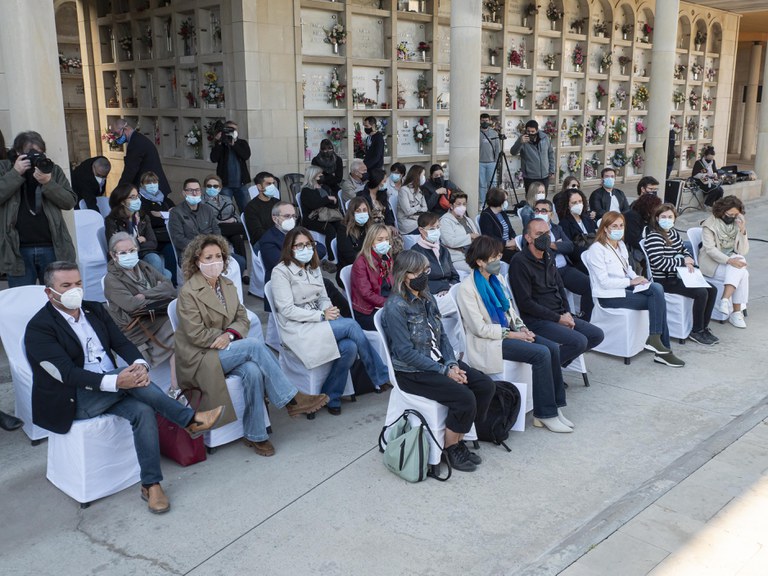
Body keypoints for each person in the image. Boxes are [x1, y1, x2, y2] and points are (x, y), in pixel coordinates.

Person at [25, 261, 224, 513]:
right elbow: (66, 373)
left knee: (143, 410)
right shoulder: (39, 328)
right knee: (127, 380)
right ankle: (188, 420)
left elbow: (122, 342)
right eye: (65, 285)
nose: (74, 290)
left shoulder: (95, 310)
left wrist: (139, 365)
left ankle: (151, 485)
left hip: (112, 386)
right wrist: (119, 380)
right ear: (49, 291)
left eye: (78, 283)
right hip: (74, 399)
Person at [175, 235, 328, 457]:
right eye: (209, 257)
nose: (215, 261)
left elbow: (242, 318)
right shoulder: (189, 292)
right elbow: (195, 333)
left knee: (253, 371)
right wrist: (226, 337)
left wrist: (229, 334)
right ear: (197, 260)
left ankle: (256, 435)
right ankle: (292, 398)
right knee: (254, 346)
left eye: (219, 256)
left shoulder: (226, 285)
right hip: (201, 356)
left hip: (226, 348)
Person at [382, 250, 495, 471]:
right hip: (413, 372)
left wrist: (452, 364)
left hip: (438, 361)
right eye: (420, 272)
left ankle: (460, 436)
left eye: (427, 270)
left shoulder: (426, 296)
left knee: (485, 385)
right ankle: (451, 448)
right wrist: (445, 371)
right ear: (405, 275)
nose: (425, 275)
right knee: (464, 398)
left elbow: (442, 335)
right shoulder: (396, 307)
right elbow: (405, 353)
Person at [456, 236, 573, 433]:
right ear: (480, 261)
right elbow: (480, 329)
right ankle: (544, 414)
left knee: (552, 347)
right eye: (494, 257)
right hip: (489, 342)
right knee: (541, 353)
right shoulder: (467, 288)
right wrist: (513, 335)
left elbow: (510, 311)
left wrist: (521, 328)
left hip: (509, 333)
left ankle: (555, 406)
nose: (498, 261)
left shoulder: (497, 279)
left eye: (500, 255)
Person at [271, 227, 391, 413]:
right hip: (298, 328)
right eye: (300, 245)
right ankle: (381, 375)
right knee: (351, 325)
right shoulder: (281, 272)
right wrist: (320, 315)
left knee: (350, 347)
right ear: (290, 247)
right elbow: (286, 310)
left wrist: (328, 309)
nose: (305, 249)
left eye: (308, 244)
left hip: (319, 321)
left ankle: (331, 396)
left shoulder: (313, 267)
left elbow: (323, 296)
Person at [587, 212, 685, 367]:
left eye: (621, 226)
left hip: (625, 289)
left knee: (656, 288)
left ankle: (655, 339)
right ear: (605, 229)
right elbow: (604, 282)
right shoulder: (597, 249)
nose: (619, 229)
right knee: (658, 301)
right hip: (609, 296)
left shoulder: (620, 245)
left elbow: (628, 269)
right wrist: (630, 282)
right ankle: (663, 350)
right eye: (614, 226)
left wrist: (639, 279)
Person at [510, 218, 604, 366]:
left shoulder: (548, 255)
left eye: (547, 233)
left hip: (558, 314)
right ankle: (548, 369)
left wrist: (566, 313)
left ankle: (555, 365)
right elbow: (525, 303)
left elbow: (560, 287)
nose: (544, 237)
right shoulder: (519, 262)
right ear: (528, 238)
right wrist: (558, 319)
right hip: (537, 320)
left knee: (596, 335)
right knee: (579, 341)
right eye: (539, 233)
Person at [0, 131, 77, 287]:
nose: (35, 158)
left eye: (40, 154)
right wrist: (16, 173)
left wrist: (48, 183)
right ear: (17, 153)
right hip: (17, 251)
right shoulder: (4, 168)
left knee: (57, 297)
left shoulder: (52, 170)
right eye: (30, 154)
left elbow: (69, 202)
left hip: (52, 247)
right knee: (22, 301)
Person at [645, 204, 719, 345]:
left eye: (670, 217)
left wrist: (688, 261)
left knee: (712, 289)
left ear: (674, 219)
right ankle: (696, 331)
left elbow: (683, 250)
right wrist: (682, 261)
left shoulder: (672, 233)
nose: (667, 219)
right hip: (664, 281)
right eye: (663, 217)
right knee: (701, 292)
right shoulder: (654, 237)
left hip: (679, 275)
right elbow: (659, 263)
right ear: (657, 218)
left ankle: (703, 327)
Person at [260, 201, 349, 316]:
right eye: (287, 216)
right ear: (275, 218)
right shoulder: (269, 239)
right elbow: (279, 263)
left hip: (305, 278)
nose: (291, 219)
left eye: (293, 216)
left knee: (326, 285)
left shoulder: (298, 233)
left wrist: (304, 253)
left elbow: (321, 248)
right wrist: (304, 253)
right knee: (325, 285)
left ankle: (350, 316)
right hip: (287, 284)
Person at [104, 232, 176, 366]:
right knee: (181, 326)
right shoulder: (111, 279)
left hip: (157, 313)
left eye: (132, 250)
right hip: (138, 325)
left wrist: (145, 294)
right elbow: (131, 305)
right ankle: (177, 382)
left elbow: (169, 287)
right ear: (114, 256)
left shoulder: (142, 266)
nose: (129, 255)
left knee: (187, 318)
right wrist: (159, 294)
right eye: (123, 253)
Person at [527, 199, 595, 321]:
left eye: (544, 211)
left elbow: (569, 246)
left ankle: (585, 319)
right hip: (548, 271)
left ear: (551, 214)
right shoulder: (530, 231)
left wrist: (551, 245)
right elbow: (537, 252)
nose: (540, 213)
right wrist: (558, 246)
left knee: (589, 285)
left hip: (565, 269)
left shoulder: (557, 229)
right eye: (537, 210)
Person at [699, 196, 749, 329]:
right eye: (729, 214)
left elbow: (742, 251)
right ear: (722, 211)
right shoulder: (709, 224)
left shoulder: (736, 224)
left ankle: (725, 300)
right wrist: (729, 260)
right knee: (742, 272)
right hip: (712, 263)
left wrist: (742, 230)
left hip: (729, 262)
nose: (732, 217)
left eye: (735, 214)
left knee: (741, 265)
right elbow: (710, 250)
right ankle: (736, 313)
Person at [105, 183, 170, 278]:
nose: (137, 200)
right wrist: (138, 241)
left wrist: (133, 245)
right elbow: (116, 247)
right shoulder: (112, 220)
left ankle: (157, 288)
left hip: (143, 254)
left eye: (137, 196)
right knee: (166, 274)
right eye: (132, 197)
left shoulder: (143, 217)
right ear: (122, 201)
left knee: (156, 260)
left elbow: (153, 243)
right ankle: (158, 288)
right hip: (125, 257)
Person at [202, 174, 248, 282]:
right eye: (209, 186)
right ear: (205, 187)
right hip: (215, 228)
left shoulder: (226, 199)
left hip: (231, 228)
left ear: (220, 187)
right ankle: (245, 230)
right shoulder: (202, 201)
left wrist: (235, 220)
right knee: (242, 228)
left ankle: (244, 271)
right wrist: (223, 221)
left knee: (237, 238)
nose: (212, 188)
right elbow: (205, 218)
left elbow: (235, 214)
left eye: (215, 186)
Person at [111, 119, 171, 198]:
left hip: (151, 189)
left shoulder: (135, 143)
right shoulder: (138, 139)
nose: (115, 137)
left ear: (125, 129)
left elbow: (130, 170)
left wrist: (119, 191)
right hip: (152, 186)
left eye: (116, 133)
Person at [350, 223, 393, 330]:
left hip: (385, 302)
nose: (384, 243)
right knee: (399, 323)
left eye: (387, 239)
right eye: (380, 239)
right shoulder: (361, 262)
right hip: (368, 311)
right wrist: (390, 303)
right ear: (371, 241)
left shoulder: (386, 258)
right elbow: (366, 294)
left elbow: (392, 284)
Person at [137, 171, 177, 285]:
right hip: (152, 237)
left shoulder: (165, 200)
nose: (152, 184)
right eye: (148, 182)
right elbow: (151, 220)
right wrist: (166, 215)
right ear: (142, 184)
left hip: (167, 236)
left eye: (154, 181)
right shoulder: (141, 201)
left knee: (171, 250)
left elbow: (177, 214)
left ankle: (172, 283)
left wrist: (159, 214)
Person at [168, 178, 221, 261]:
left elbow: (216, 231)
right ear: (184, 193)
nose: (194, 193)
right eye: (190, 190)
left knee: (239, 261)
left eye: (197, 190)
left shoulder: (208, 210)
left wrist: (212, 246)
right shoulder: (176, 213)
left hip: (211, 251)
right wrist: (201, 248)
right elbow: (178, 239)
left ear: (200, 192)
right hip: (190, 254)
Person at [299, 165, 343, 261]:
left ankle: (341, 251)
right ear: (312, 176)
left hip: (328, 216)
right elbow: (314, 205)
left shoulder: (325, 188)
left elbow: (335, 203)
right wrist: (327, 199)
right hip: (312, 218)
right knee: (330, 230)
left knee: (341, 226)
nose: (322, 177)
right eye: (319, 175)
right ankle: (332, 257)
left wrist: (328, 201)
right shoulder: (306, 191)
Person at [411, 212, 460, 296]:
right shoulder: (416, 252)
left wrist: (449, 288)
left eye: (438, 227)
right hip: (431, 295)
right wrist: (443, 288)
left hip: (449, 291)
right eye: (432, 229)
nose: (436, 231)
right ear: (421, 230)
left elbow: (454, 276)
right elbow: (419, 282)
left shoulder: (443, 250)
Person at [209, 119, 251, 212]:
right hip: (225, 184)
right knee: (226, 210)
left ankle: (244, 226)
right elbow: (213, 159)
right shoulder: (220, 145)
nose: (233, 132)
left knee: (246, 210)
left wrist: (234, 144)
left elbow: (246, 155)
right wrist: (219, 143)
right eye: (229, 129)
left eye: (234, 130)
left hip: (241, 184)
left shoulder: (242, 143)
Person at [556, 188, 597, 274]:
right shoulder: (564, 224)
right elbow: (571, 248)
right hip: (581, 260)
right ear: (567, 205)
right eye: (574, 203)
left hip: (596, 254)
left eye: (580, 201)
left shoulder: (587, 219)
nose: (578, 204)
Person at [440, 191, 479, 274]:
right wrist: (470, 237)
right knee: (479, 270)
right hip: (457, 258)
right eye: (458, 204)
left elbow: (477, 236)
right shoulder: (445, 221)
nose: (462, 207)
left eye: (464, 204)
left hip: (473, 255)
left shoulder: (468, 220)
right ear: (451, 206)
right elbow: (450, 241)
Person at [509, 120, 555, 192]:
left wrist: (552, 171)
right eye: (528, 131)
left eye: (532, 131)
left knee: (543, 199)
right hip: (530, 176)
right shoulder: (522, 139)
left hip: (545, 175)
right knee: (531, 198)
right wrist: (520, 142)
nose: (530, 133)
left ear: (537, 130)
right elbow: (513, 152)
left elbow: (550, 154)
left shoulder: (545, 138)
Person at [243, 171, 281, 251]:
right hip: (261, 242)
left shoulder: (277, 203)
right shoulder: (251, 207)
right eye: (268, 184)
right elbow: (258, 233)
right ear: (259, 187)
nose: (272, 186)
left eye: (273, 183)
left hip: (280, 238)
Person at [337, 196, 371, 284]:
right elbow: (349, 255)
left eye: (364, 210)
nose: (362, 213)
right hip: (351, 269)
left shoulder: (370, 227)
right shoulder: (343, 229)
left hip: (371, 268)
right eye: (358, 211)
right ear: (352, 213)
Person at [479, 186, 518, 263]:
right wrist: (506, 243)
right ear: (499, 201)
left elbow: (510, 230)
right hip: (498, 249)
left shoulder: (502, 213)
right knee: (520, 258)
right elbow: (489, 237)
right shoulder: (486, 216)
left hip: (510, 246)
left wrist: (514, 240)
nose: (507, 202)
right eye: (505, 200)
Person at [623, 192, 661, 266]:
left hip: (644, 245)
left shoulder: (647, 216)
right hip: (633, 249)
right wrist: (651, 247)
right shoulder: (632, 216)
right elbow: (634, 239)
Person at [396, 164, 428, 234]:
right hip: (407, 222)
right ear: (417, 176)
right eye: (423, 175)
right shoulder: (404, 190)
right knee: (429, 229)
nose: (424, 178)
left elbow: (425, 208)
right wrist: (419, 207)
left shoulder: (419, 189)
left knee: (434, 224)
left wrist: (416, 210)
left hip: (418, 218)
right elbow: (408, 211)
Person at [479, 113, 501, 207]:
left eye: (486, 120)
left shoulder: (494, 133)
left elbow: (497, 148)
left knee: (492, 184)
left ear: (489, 121)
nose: (485, 122)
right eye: (483, 120)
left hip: (492, 162)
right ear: (480, 120)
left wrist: (496, 161)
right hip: (480, 163)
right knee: (481, 184)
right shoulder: (476, 132)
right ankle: (482, 202)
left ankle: (492, 202)